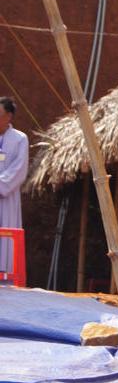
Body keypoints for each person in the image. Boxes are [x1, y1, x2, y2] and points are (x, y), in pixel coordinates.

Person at [0, 97, 29, 276]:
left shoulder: (20, 139)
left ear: (9, 116)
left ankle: (4, 274)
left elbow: (19, 169)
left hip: (6, 197)